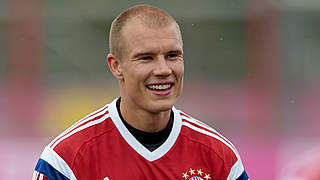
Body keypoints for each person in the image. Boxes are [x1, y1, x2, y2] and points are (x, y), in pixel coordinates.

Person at [33, 4, 249, 180]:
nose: (164, 70)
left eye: (173, 56)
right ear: (116, 66)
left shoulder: (219, 157)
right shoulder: (65, 161)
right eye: (146, 58)